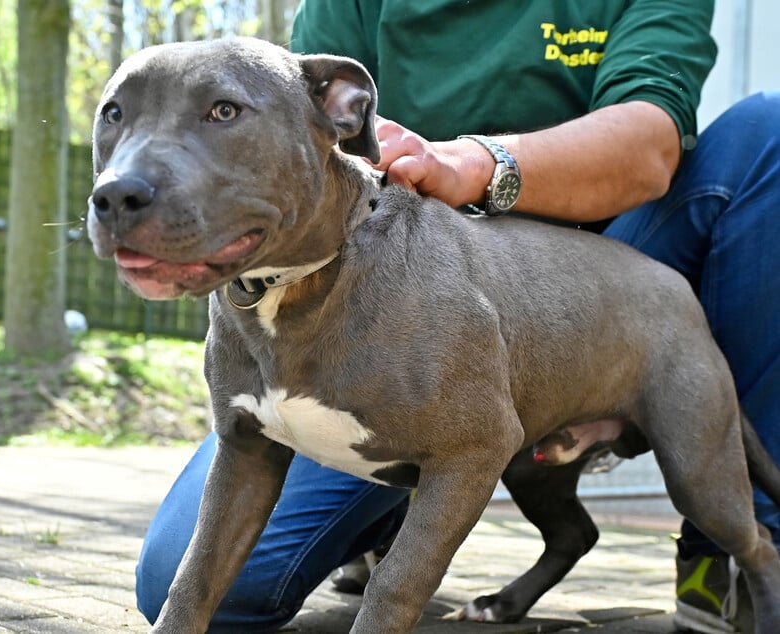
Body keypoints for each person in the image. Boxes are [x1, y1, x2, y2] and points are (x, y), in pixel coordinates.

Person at [135, 1, 780, 632]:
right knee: (187, 585)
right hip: (385, 275)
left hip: (604, 286)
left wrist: (478, 164)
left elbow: (648, 143)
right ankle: (385, 514)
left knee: (767, 129)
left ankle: (741, 549)